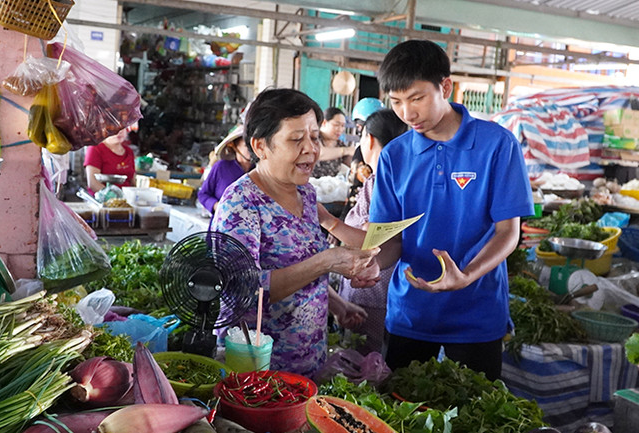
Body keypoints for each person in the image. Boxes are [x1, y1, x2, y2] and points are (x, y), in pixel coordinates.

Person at [370, 40, 534, 380]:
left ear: (445, 86)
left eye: (416, 98)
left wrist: (466, 275)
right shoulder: (393, 156)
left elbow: (508, 232)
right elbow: (391, 240)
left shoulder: (497, 145)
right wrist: (368, 265)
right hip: (410, 313)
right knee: (401, 412)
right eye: (396, 102)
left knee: (477, 414)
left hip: (477, 313)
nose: (407, 113)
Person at [210, 88, 380, 378]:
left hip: (306, 364)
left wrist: (336, 305)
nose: (311, 149)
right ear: (261, 146)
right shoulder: (240, 203)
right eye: (296, 139)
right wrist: (327, 261)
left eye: (314, 137)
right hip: (256, 373)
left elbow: (298, 266)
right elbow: (241, 291)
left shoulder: (306, 194)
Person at [337, 109, 408, 355]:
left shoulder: (379, 182)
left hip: (370, 290)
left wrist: (328, 222)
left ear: (368, 139)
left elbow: (371, 238)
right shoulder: (404, 179)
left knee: (363, 363)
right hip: (387, 289)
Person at [197, 125, 252, 214]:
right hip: (222, 222)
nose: (251, 150)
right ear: (235, 146)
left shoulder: (259, 171)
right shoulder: (221, 167)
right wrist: (217, 206)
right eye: (246, 146)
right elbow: (203, 194)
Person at [83, 127, 136, 195]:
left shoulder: (129, 151)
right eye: (113, 128)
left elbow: (133, 181)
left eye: (122, 128)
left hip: (127, 200)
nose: (118, 132)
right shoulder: (95, 149)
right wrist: (114, 198)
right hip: (103, 200)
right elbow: (93, 183)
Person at [311, 107, 355, 178]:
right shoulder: (313, 137)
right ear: (324, 122)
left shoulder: (340, 145)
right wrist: (346, 150)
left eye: (342, 126)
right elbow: (319, 153)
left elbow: (350, 164)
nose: (340, 129)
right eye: (336, 125)